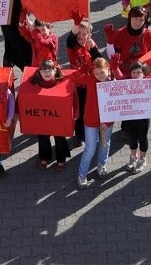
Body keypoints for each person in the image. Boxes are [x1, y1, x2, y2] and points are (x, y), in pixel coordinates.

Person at [77, 58, 114, 187]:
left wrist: (107, 122)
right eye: (96, 73)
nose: (99, 76)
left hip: (106, 122)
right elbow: (74, 79)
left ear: (108, 70)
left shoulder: (113, 83)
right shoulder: (90, 79)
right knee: (90, 148)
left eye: (102, 72)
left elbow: (116, 106)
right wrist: (81, 71)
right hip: (91, 121)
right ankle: (82, 173)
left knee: (104, 144)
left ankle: (101, 165)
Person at [110, 57, 151, 173]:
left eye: (139, 72)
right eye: (133, 72)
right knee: (132, 138)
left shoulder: (148, 83)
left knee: (143, 138)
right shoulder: (126, 81)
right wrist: (115, 67)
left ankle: (142, 159)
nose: (136, 74)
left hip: (143, 117)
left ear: (144, 73)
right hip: (129, 116)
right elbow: (119, 77)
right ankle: (134, 157)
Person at [66, 11, 102, 146]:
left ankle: (94, 131)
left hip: (92, 86)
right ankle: (79, 135)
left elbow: (100, 62)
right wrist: (76, 24)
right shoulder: (73, 47)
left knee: (92, 109)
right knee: (79, 111)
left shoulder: (92, 46)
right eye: (79, 34)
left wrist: (93, 49)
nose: (81, 36)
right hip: (78, 86)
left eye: (84, 33)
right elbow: (70, 39)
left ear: (89, 35)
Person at [30, 59, 73, 170]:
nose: (47, 73)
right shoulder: (35, 83)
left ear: (55, 71)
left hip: (58, 117)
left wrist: (75, 113)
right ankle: (44, 158)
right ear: (39, 72)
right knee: (43, 138)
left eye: (49, 70)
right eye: (44, 71)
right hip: (43, 117)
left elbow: (73, 97)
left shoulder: (62, 82)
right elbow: (24, 97)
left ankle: (61, 159)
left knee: (60, 138)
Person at [103, 6, 151, 75]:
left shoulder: (149, 34)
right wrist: (110, 42)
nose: (137, 22)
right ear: (130, 18)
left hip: (142, 73)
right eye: (135, 19)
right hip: (125, 73)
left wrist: (146, 69)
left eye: (141, 20)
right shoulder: (120, 33)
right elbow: (112, 56)